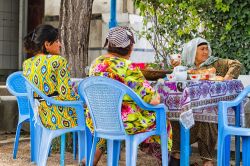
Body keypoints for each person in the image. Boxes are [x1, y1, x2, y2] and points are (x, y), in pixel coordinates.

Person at [81, 26, 173, 166]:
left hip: (98, 120)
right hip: (125, 124)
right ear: (129, 47)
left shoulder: (96, 63)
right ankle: (165, 160)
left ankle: (92, 159)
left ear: (109, 44)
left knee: (114, 112)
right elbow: (153, 100)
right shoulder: (127, 67)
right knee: (162, 116)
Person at [169, 37, 242, 166]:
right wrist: (177, 68)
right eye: (202, 49)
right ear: (192, 52)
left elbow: (236, 64)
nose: (206, 52)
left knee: (206, 118)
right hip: (190, 109)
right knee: (175, 116)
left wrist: (227, 78)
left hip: (213, 111)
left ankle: (207, 162)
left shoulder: (215, 63)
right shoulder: (187, 67)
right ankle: (177, 156)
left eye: (207, 49)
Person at [22, 24, 79, 130]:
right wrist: (83, 102)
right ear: (47, 44)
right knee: (93, 118)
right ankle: (91, 147)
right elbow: (66, 94)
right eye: (57, 41)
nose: (60, 44)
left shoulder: (27, 63)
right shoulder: (58, 61)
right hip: (57, 116)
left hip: (38, 116)